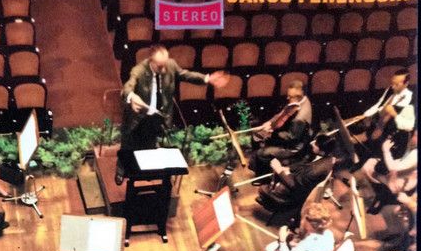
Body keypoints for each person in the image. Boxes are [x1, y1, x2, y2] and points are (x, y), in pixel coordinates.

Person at [116, 44, 228, 183]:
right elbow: (127, 87)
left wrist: (207, 78)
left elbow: (186, 75)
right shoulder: (139, 70)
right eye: (159, 66)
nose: (164, 69)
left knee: (150, 144)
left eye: (164, 64)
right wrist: (132, 96)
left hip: (157, 116)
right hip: (138, 116)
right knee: (128, 146)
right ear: (151, 61)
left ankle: (145, 173)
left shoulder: (170, 65)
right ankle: (120, 170)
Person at [257, 134, 348, 214]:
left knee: (262, 189)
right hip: (299, 179)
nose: (312, 143)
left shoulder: (315, 171)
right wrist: (288, 169)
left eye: (316, 144)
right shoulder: (327, 157)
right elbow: (303, 165)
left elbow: (295, 186)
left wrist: (279, 170)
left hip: (295, 193)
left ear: (322, 151)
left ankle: (272, 204)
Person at [249, 80, 313, 177]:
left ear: (298, 97)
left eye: (290, 97)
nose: (287, 98)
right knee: (256, 136)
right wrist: (270, 122)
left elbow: (291, 138)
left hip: (293, 147)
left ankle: (263, 177)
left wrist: (272, 133)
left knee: (262, 153)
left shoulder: (300, 118)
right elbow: (282, 113)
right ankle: (257, 165)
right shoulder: (298, 101)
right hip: (288, 134)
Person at [358, 68, 414, 159]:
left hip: (390, 133)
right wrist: (365, 115)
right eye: (392, 83)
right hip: (376, 123)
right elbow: (379, 105)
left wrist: (391, 114)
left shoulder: (409, 97)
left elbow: (405, 124)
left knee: (364, 146)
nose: (393, 87)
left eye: (396, 84)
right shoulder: (390, 90)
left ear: (406, 83)